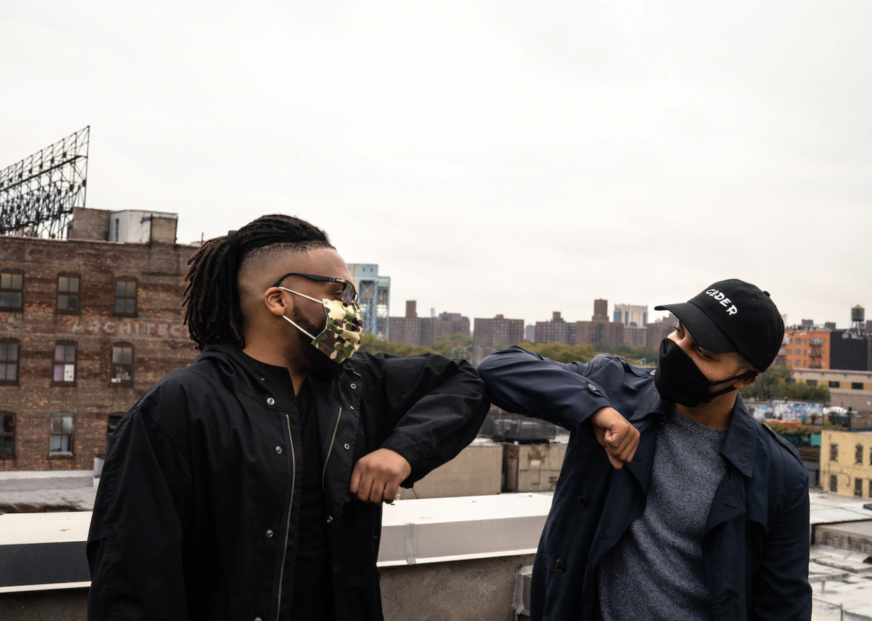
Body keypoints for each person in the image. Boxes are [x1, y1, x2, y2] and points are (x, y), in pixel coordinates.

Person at [87, 214, 489, 621]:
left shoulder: (354, 384)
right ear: (278, 300)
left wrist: (401, 452)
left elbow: (464, 382)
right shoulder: (179, 407)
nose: (352, 310)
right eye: (339, 294)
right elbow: (132, 579)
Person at [478, 280, 811, 620]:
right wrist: (595, 410)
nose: (678, 349)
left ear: (745, 378)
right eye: (679, 332)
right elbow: (497, 369)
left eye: (703, 352)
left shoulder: (780, 475)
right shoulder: (613, 390)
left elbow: (784, 608)